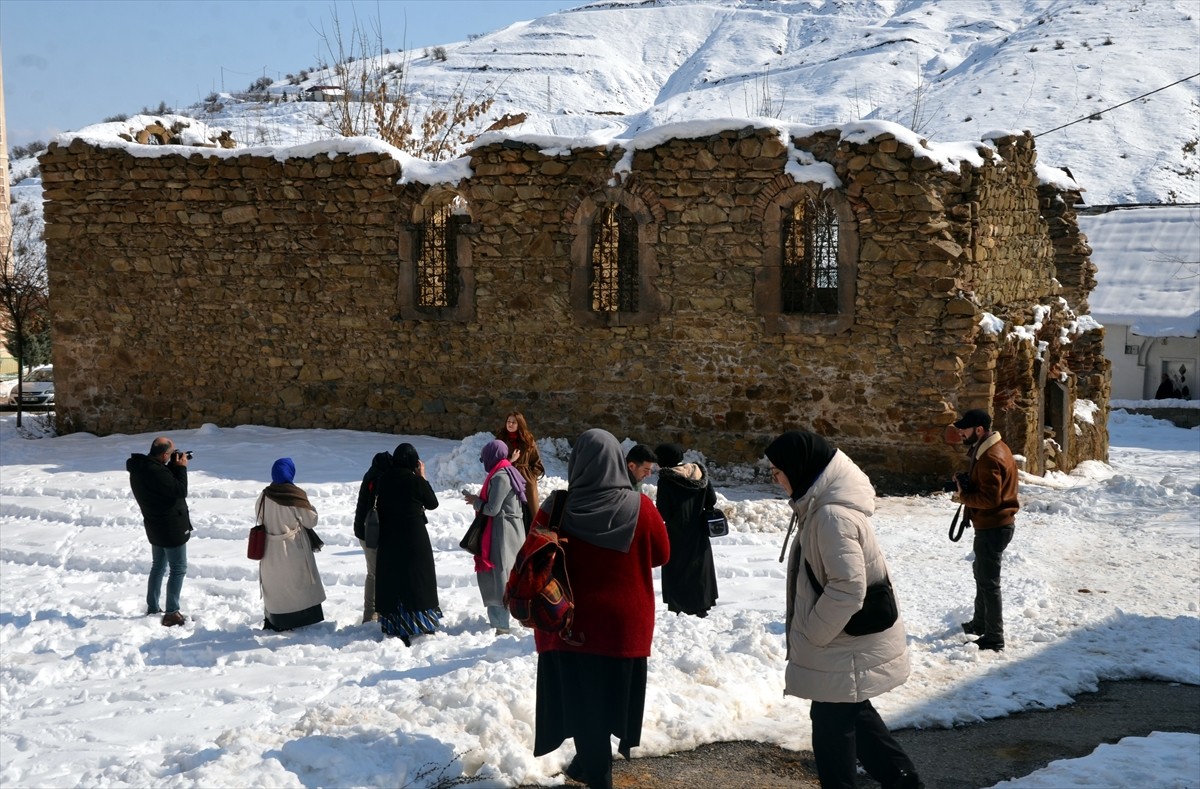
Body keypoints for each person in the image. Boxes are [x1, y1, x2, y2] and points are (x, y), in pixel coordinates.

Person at [766, 431, 922, 789]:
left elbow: (849, 588)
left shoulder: (831, 517)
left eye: (777, 471)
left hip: (841, 647)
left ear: (798, 468)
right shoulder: (821, 509)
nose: (775, 479)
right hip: (843, 648)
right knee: (855, 719)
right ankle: (905, 782)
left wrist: (813, 634)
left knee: (832, 736)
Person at [533, 429, 670, 789]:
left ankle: (595, 771)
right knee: (610, 700)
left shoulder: (556, 506)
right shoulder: (641, 508)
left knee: (581, 701)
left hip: (568, 623)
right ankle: (593, 766)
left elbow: (531, 556)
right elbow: (661, 554)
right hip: (624, 628)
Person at [951, 408, 1019, 652]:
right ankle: (980, 623)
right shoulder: (989, 449)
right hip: (992, 525)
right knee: (981, 572)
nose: (960, 433)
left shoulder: (990, 456)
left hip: (993, 526)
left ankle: (994, 636)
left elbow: (990, 500)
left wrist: (964, 496)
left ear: (979, 430)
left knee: (989, 581)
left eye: (964, 429)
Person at [373, 443, 442, 644]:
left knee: (394, 580)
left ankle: (395, 625)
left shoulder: (384, 480)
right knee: (417, 580)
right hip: (414, 538)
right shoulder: (415, 481)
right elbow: (432, 503)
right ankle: (420, 623)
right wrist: (422, 477)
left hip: (389, 538)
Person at [127, 437, 193, 627]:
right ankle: (172, 613)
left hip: (154, 526)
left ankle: (153, 607)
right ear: (164, 455)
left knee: (158, 567)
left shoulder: (141, 468)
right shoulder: (156, 472)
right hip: (171, 528)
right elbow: (180, 490)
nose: (174, 456)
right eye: (171, 454)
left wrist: (170, 467)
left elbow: (163, 487)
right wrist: (180, 468)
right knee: (178, 569)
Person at [465, 439, 528, 635]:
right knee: (508, 573)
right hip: (510, 530)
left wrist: (476, 502)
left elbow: (492, 509)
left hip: (501, 533)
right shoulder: (508, 470)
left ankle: (501, 624)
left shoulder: (500, 476)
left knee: (499, 575)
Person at [256, 458, 326, 631]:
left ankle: (276, 619)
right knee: (298, 585)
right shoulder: (295, 495)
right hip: (294, 548)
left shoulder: (264, 495)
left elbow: (259, 516)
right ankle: (301, 620)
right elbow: (311, 521)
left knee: (277, 586)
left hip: (269, 550)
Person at [654, 442, 719, 618]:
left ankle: (681, 608)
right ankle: (702, 606)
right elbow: (711, 500)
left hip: (677, 534)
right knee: (699, 569)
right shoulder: (699, 474)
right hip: (699, 531)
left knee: (679, 570)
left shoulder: (666, 480)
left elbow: (663, 512)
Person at [353, 449, 392, 623]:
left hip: (364, 532)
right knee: (375, 574)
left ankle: (372, 613)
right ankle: (372, 614)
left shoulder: (369, 475)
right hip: (373, 533)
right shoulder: (381, 480)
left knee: (373, 573)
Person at [496, 411, 545, 513]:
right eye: (508, 421)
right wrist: (510, 460)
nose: (510, 424)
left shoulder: (528, 440)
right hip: (507, 478)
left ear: (520, 424)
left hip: (526, 480)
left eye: (514, 422)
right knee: (509, 512)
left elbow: (536, 462)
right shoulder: (500, 439)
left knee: (530, 513)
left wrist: (532, 477)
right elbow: (495, 461)